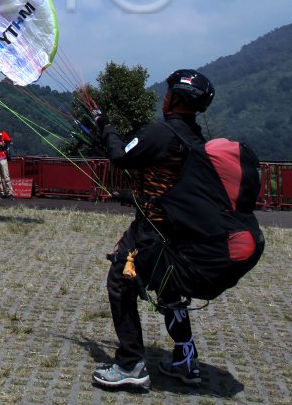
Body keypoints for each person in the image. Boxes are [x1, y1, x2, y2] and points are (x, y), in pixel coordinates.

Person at [88, 69, 216, 392]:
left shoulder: (161, 134)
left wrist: (105, 126)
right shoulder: (198, 142)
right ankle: (186, 360)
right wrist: (132, 196)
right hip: (181, 235)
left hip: (152, 233)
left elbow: (120, 155)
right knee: (170, 289)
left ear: (174, 99)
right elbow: (173, 186)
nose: (164, 98)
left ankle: (131, 363)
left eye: (167, 93)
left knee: (119, 280)